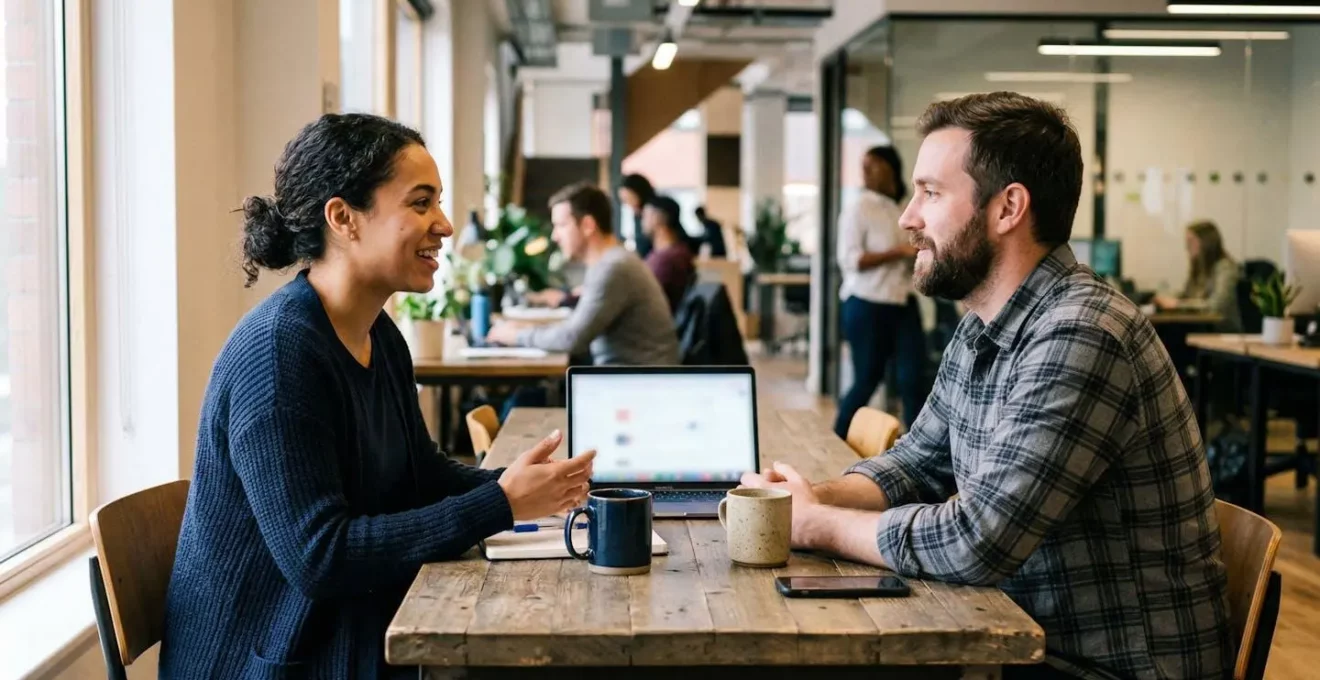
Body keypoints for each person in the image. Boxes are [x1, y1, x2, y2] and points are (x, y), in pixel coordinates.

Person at [742, 93, 1232, 680]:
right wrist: (803, 498)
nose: (907, 217)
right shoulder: (983, 324)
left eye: (930, 192)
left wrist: (817, 526)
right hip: (1019, 640)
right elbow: (918, 464)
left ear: (1008, 209)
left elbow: (978, 541)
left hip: (1104, 667)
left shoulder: (1082, 333)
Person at [160, 114, 596, 680]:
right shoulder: (278, 357)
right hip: (272, 660)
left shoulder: (377, 333)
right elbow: (321, 557)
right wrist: (502, 504)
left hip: (342, 632)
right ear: (343, 218)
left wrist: (541, 487)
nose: (442, 224)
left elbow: (420, 472)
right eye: (420, 203)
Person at [486, 182, 679, 365]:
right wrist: (526, 330)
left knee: (522, 397)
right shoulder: (612, 262)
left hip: (633, 387)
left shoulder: (614, 268)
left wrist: (515, 336)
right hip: (627, 379)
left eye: (561, 225)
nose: (555, 236)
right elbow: (576, 328)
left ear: (587, 225)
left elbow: (573, 339)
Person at [833, 145, 926, 436]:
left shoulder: (903, 206)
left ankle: (919, 448)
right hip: (866, 303)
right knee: (867, 380)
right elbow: (850, 260)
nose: (865, 171)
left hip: (903, 301)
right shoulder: (859, 207)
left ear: (890, 167)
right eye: (863, 165)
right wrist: (898, 252)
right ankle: (836, 437)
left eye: (872, 165)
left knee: (913, 379)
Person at [1155, 220, 1242, 332]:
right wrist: (1166, 298)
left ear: (1206, 242)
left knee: (1170, 334)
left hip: (1221, 330)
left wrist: (1178, 304)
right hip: (1202, 326)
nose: (1187, 246)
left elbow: (1216, 306)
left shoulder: (1225, 268)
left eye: (1191, 241)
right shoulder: (1200, 268)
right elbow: (1186, 295)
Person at [642, 195, 696, 313]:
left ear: (656, 218)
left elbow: (645, 299)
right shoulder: (677, 252)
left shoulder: (667, 260)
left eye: (645, 216)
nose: (642, 221)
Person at [618, 173, 656, 259]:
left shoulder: (652, 213)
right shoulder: (637, 216)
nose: (628, 205)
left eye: (629, 199)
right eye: (624, 201)